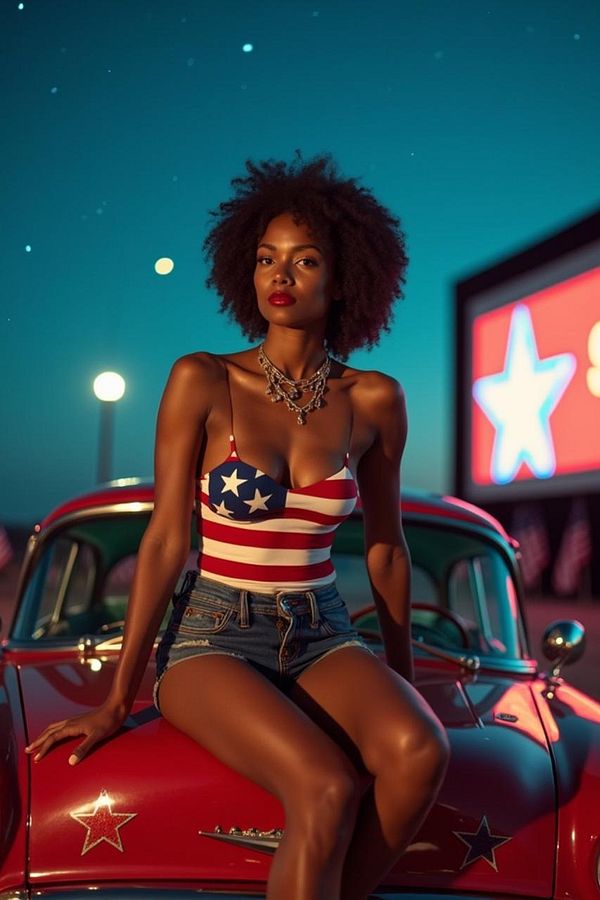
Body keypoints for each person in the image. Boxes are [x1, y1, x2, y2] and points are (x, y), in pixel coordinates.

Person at [25, 153, 450, 900]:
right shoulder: (203, 378)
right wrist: (120, 697)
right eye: (265, 259)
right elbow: (164, 540)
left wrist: (399, 683)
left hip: (323, 630)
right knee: (324, 788)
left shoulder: (375, 399)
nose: (279, 275)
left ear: (344, 276)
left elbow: (385, 548)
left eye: (305, 259)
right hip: (213, 633)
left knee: (419, 749)